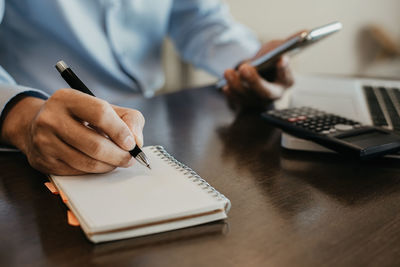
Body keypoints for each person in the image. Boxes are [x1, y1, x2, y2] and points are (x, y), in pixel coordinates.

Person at [0, 0, 293, 175]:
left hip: (148, 117)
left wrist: (250, 67)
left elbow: (198, 18)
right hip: (38, 127)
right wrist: (21, 116)